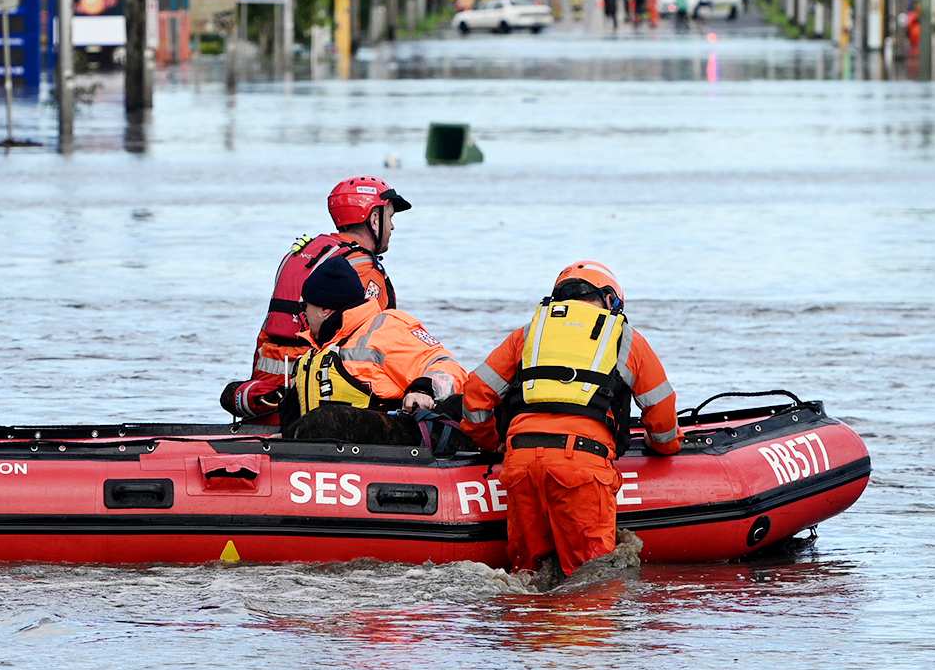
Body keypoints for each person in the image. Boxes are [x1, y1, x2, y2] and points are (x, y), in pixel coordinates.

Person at [460, 261, 680, 578]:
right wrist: (665, 446)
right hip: (582, 465)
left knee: (528, 575)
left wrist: (490, 442)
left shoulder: (528, 335)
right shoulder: (624, 337)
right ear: (610, 300)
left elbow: (475, 394)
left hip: (520, 461)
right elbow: (660, 409)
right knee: (591, 582)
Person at [222, 176, 411, 422]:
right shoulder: (363, 268)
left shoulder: (301, 253)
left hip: (267, 397)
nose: (393, 226)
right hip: (315, 403)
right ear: (374, 218)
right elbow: (376, 341)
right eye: (390, 217)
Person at [280, 257, 466, 442]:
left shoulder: (385, 329)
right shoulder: (313, 354)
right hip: (322, 453)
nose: (302, 313)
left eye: (305, 306)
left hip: (389, 443)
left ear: (325, 310)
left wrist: (423, 390)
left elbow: (447, 367)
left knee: (324, 421)